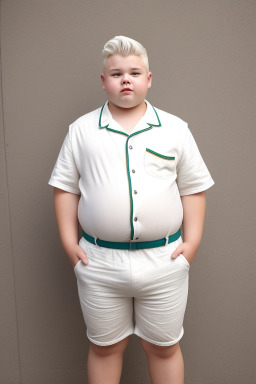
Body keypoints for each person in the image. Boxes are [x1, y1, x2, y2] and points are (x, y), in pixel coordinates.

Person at [49, 35, 214, 384]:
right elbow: (64, 188)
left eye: (135, 72)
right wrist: (69, 244)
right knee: (106, 347)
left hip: (165, 260)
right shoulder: (81, 131)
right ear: (103, 81)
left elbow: (193, 188)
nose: (126, 79)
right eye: (116, 73)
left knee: (164, 348)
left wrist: (192, 244)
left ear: (148, 79)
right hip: (99, 262)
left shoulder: (175, 129)